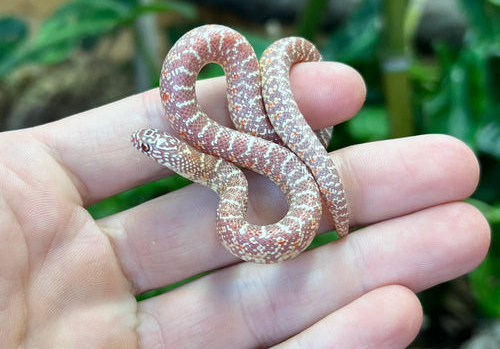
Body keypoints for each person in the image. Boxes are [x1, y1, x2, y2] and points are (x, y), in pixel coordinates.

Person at [0, 61, 489, 348]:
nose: (147, 147)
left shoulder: (228, 175)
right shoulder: (222, 174)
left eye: (152, 147)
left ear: (188, 163)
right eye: (153, 146)